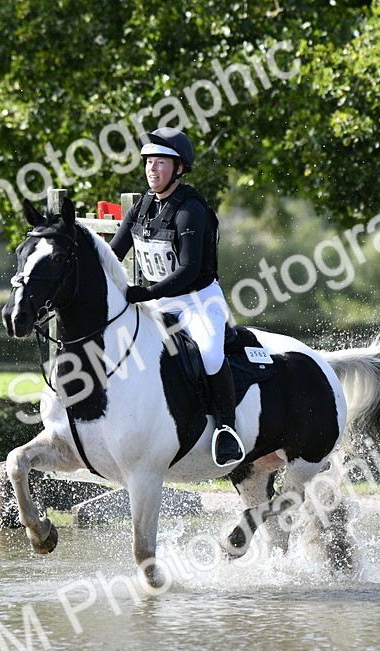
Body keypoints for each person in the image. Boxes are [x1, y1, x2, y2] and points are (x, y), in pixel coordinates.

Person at [109, 126, 246, 468]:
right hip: (156, 302)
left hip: (198, 301)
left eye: (160, 163)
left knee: (211, 354)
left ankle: (227, 430)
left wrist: (145, 292)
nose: (152, 169)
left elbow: (187, 270)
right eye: (148, 162)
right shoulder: (141, 208)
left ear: (179, 169)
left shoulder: (191, 210)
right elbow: (113, 255)